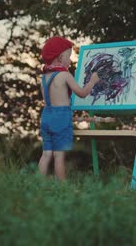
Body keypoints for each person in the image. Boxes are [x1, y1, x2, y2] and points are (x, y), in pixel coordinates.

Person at [38, 36, 100, 180]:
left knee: (46, 153)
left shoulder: (44, 78)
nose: (70, 61)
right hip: (61, 117)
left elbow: (49, 101)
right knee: (59, 155)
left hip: (47, 116)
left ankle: (38, 185)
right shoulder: (64, 75)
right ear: (60, 57)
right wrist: (92, 81)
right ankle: (62, 188)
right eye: (68, 57)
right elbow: (82, 93)